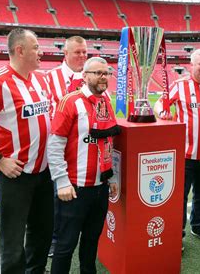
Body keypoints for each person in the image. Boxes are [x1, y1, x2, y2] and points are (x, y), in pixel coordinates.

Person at [0, 28, 54, 273]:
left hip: (44, 173)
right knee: (13, 240)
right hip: (14, 176)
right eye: (35, 47)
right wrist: (0, 160)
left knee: (42, 233)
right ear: (20, 50)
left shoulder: (40, 78)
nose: (40, 51)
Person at [47, 57, 119, 274]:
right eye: (97, 73)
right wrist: (61, 182)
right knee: (65, 245)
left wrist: (111, 178)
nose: (103, 77)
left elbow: (107, 142)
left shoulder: (106, 101)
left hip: (100, 188)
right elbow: (55, 145)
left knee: (91, 242)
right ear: (85, 76)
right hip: (74, 189)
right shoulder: (70, 102)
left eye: (106, 73)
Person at [155, 49, 200, 249]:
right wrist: (163, 113)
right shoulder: (179, 86)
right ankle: (178, 233)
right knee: (180, 196)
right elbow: (160, 104)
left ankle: (198, 225)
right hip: (184, 153)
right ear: (191, 66)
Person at [46, 36, 88, 257]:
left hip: (85, 150)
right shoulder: (49, 78)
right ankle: (54, 239)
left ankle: (78, 236)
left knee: (81, 197)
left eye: (84, 52)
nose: (82, 56)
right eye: (77, 52)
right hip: (59, 149)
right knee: (57, 196)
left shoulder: (90, 76)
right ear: (66, 54)